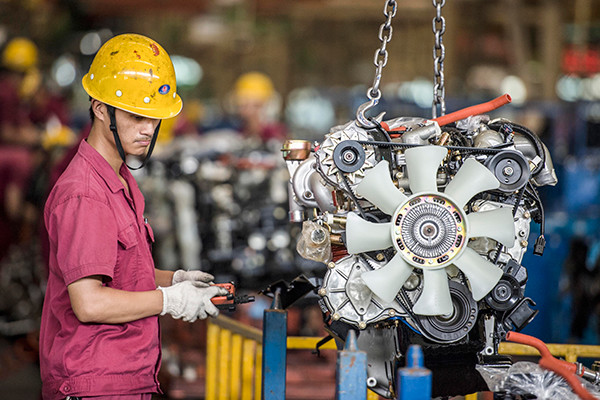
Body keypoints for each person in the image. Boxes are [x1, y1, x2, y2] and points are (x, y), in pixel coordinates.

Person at [39, 33, 228, 400]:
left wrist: (176, 279)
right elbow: (90, 301)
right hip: (95, 383)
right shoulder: (85, 193)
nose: (148, 129)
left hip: (124, 378)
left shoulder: (120, 180)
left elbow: (122, 272)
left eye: (154, 118)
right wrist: (170, 300)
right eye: (136, 116)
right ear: (99, 109)